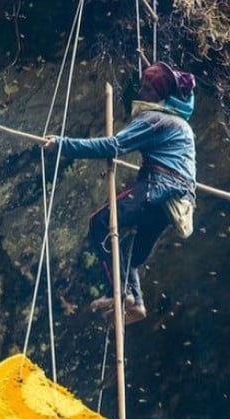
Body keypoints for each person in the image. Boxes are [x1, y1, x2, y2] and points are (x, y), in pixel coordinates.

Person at [41, 62, 197, 325]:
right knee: (129, 253)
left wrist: (62, 144)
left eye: (149, 89)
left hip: (158, 185)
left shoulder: (157, 119)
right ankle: (135, 302)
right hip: (176, 202)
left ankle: (121, 294)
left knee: (100, 222)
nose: (143, 93)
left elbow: (114, 145)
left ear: (161, 97)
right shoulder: (181, 125)